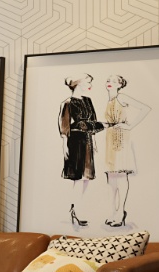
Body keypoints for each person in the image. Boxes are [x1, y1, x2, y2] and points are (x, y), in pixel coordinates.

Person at [59, 73, 109, 226]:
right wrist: (64, 146)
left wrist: (93, 140)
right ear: (79, 83)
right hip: (75, 141)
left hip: (87, 140)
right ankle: (74, 209)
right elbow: (64, 126)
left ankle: (79, 208)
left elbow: (93, 122)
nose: (91, 85)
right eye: (88, 82)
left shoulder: (88, 100)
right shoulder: (67, 103)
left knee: (86, 177)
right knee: (77, 177)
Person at [102, 74, 151, 227]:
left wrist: (130, 125)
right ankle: (113, 212)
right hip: (110, 138)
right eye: (108, 80)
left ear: (120, 85)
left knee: (121, 176)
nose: (110, 83)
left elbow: (145, 108)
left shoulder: (121, 97)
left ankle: (121, 212)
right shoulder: (109, 100)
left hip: (121, 139)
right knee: (111, 179)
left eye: (115, 81)